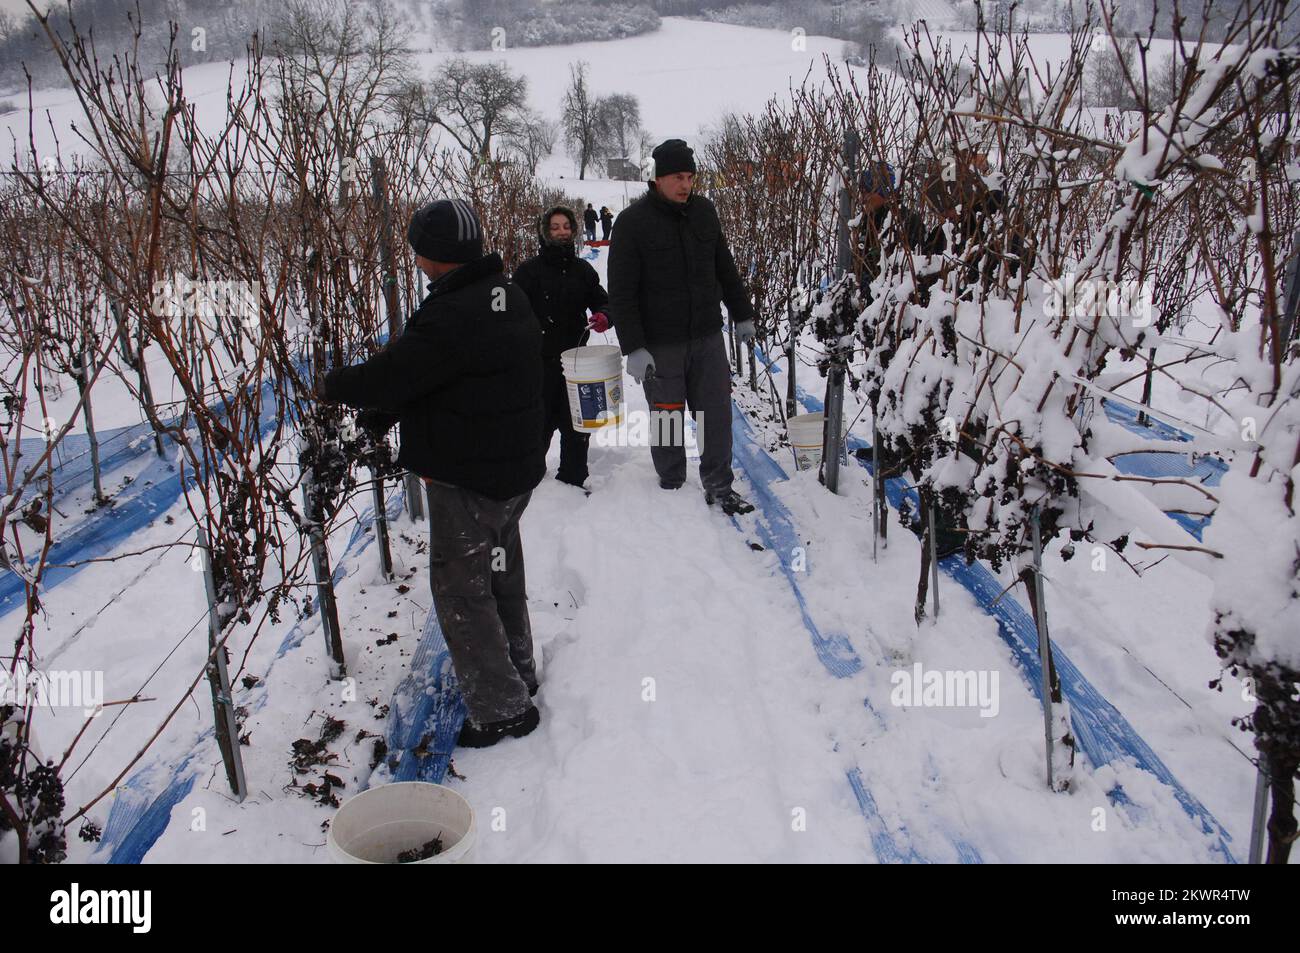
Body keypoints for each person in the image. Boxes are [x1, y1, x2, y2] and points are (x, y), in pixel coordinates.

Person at [322, 198, 545, 749]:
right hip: (511, 471)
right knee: (500, 572)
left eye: (418, 249)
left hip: (470, 477)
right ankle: (519, 670)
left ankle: (501, 710)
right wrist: (386, 414)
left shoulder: (453, 312)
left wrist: (330, 386)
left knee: (461, 591)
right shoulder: (504, 294)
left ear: (430, 255)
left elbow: (397, 373)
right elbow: (445, 373)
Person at [607, 138, 756, 515]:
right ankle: (671, 481)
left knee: (715, 413)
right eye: (677, 176)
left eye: (690, 176)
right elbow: (622, 292)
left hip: (706, 336)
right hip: (661, 343)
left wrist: (741, 313)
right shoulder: (632, 223)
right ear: (658, 179)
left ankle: (719, 483)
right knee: (668, 413)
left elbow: (724, 266)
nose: (685, 184)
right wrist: (634, 346)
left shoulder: (704, 212)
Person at [512, 204, 612, 491]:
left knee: (577, 424)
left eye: (566, 227)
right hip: (539, 363)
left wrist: (605, 316)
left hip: (578, 362)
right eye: (555, 227)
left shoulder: (583, 270)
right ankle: (528, 481)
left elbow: (604, 301)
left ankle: (573, 477)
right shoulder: (528, 272)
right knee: (538, 424)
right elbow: (512, 312)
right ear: (545, 233)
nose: (561, 232)